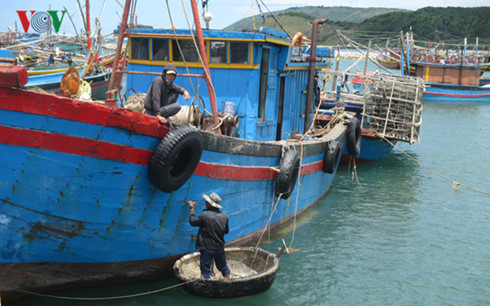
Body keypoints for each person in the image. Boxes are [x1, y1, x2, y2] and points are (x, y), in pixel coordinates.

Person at [188, 193, 231, 279]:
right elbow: (226, 231)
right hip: (219, 247)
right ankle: (228, 282)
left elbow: (193, 222)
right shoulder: (225, 216)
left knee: (205, 271)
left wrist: (192, 209)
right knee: (224, 268)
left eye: (207, 201)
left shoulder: (205, 215)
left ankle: (208, 288)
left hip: (207, 248)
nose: (205, 202)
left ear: (210, 203)